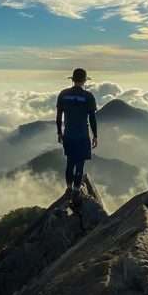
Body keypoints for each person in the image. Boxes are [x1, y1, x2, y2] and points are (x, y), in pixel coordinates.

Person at [56, 67, 98, 201]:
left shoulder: (63, 94)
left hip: (68, 134)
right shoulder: (88, 97)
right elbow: (92, 118)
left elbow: (58, 117)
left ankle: (68, 188)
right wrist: (95, 135)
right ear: (84, 80)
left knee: (70, 162)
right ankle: (76, 190)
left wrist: (59, 133)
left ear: (73, 80)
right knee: (80, 164)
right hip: (82, 135)